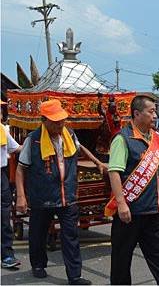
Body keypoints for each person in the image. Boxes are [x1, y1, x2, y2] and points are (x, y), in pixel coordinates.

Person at [15, 99, 107, 285]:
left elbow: (81, 148)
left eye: (62, 120)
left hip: (68, 196)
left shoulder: (69, 135)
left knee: (71, 236)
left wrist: (97, 162)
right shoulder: (32, 140)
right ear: (44, 120)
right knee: (38, 234)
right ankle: (38, 265)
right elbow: (20, 169)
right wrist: (21, 196)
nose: (60, 124)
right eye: (55, 121)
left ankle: (75, 276)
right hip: (43, 196)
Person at [105, 95, 159, 285]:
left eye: (155, 111)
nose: (155, 115)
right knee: (122, 260)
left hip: (155, 209)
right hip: (131, 211)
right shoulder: (122, 139)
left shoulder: (155, 136)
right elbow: (114, 172)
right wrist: (121, 204)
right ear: (137, 114)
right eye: (151, 111)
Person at [1, 99, 22, 269]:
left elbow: (16, 148)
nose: (1, 111)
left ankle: (7, 255)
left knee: (4, 216)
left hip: (1, 176)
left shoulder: (1, 130)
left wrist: (33, 144)